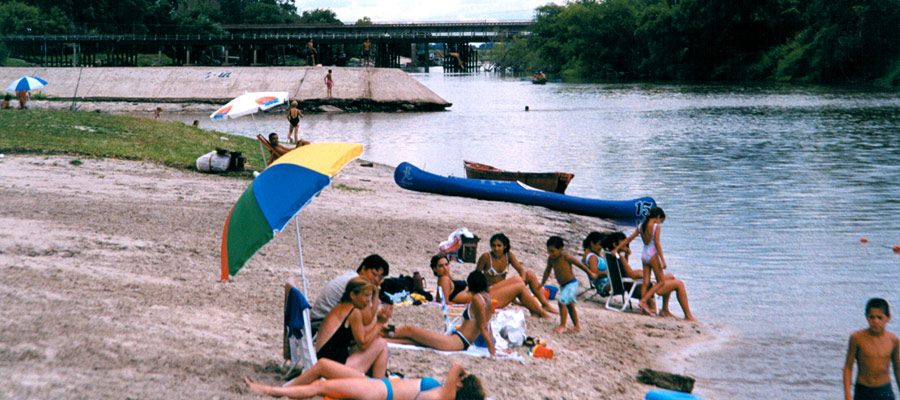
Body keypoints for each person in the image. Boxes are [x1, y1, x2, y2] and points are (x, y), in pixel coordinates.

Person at [245, 358, 484, 400]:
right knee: (324, 366)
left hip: (381, 392)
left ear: (461, 384)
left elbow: (456, 364)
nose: (458, 377)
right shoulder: (445, 391)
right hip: (379, 384)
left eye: (462, 378)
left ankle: (269, 391)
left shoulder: (447, 395)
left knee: (321, 386)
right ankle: (287, 389)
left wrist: (462, 374)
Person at [611, 208, 696, 321]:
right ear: (657, 217)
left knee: (646, 282)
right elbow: (657, 243)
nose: (660, 223)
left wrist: (616, 249)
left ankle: (652, 308)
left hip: (644, 255)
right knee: (660, 282)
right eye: (660, 220)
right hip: (652, 255)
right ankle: (643, 301)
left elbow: (630, 238)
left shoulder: (642, 225)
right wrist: (662, 260)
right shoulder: (656, 226)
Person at [386, 270, 496, 357]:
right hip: (460, 342)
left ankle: (381, 332)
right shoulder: (488, 299)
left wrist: (492, 353)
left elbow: (484, 327)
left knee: (409, 330)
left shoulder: (477, 298)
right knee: (413, 341)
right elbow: (488, 326)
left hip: (457, 342)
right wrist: (493, 349)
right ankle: (383, 339)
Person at [430, 254, 549, 318]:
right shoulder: (444, 279)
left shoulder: (448, 279)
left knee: (518, 279)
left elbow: (440, 296)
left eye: (446, 264)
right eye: (441, 266)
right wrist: (464, 303)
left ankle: (534, 311)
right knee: (519, 287)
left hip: (482, 293)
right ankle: (542, 313)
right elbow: (445, 302)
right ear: (435, 269)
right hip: (482, 299)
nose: (445, 268)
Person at [315, 277, 390, 378]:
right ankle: (380, 384)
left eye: (370, 296)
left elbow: (361, 333)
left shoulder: (341, 307)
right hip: (333, 367)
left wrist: (377, 329)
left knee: (376, 340)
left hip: (323, 359)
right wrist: (380, 323)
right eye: (366, 295)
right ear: (353, 295)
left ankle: (379, 382)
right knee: (381, 343)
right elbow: (363, 343)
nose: (368, 301)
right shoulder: (354, 312)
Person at [476, 233, 556, 315]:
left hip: (505, 287)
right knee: (520, 285)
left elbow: (520, 269)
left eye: (499, 246)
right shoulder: (486, 257)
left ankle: (545, 304)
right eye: (493, 246)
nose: (496, 248)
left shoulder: (508, 256)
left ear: (505, 246)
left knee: (530, 274)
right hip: (493, 291)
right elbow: (476, 276)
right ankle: (537, 311)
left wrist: (522, 280)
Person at [310, 254, 390, 331]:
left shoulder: (353, 277)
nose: (376, 280)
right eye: (374, 274)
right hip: (320, 324)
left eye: (380, 278)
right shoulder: (358, 284)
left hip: (319, 320)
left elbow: (368, 319)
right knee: (372, 332)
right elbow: (367, 321)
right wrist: (376, 293)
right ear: (363, 268)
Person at [843, 298, 900, 400]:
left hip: (884, 390)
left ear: (888, 318)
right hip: (863, 389)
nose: (875, 321)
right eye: (871, 317)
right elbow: (848, 367)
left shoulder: (893, 340)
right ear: (866, 317)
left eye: (879, 317)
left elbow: (897, 368)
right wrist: (847, 393)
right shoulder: (857, 338)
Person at [540, 236, 595, 333]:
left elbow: (580, 265)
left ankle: (563, 325)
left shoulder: (566, 257)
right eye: (548, 251)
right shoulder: (551, 259)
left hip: (571, 284)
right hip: (563, 286)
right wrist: (542, 282)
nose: (550, 254)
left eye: (552, 251)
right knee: (569, 305)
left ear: (560, 249)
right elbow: (547, 271)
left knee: (561, 302)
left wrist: (590, 273)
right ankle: (577, 326)